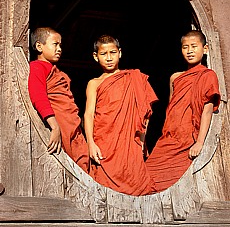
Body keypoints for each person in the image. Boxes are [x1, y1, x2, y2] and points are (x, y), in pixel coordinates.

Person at [145, 30, 221, 192]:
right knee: (147, 177)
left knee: (175, 187)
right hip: (169, 138)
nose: (190, 51)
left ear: (205, 49)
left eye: (194, 46)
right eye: (185, 47)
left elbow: (207, 111)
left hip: (188, 140)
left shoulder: (208, 75)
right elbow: (171, 109)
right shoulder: (175, 77)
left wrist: (199, 142)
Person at [84, 34, 159, 196]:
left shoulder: (134, 78)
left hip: (130, 142)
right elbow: (88, 114)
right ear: (95, 57)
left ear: (120, 53)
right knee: (103, 189)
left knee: (137, 184)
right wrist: (90, 143)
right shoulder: (94, 83)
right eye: (104, 54)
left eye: (113, 52)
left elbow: (145, 114)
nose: (109, 58)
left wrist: (142, 142)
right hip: (104, 142)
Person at [28, 27, 90, 173]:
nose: (59, 48)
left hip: (72, 126)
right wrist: (55, 127)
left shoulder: (57, 71)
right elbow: (38, 96)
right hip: (59, 124)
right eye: (55, 44)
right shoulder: (37, 67)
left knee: (82, 162)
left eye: (60, 45)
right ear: (39, 46)